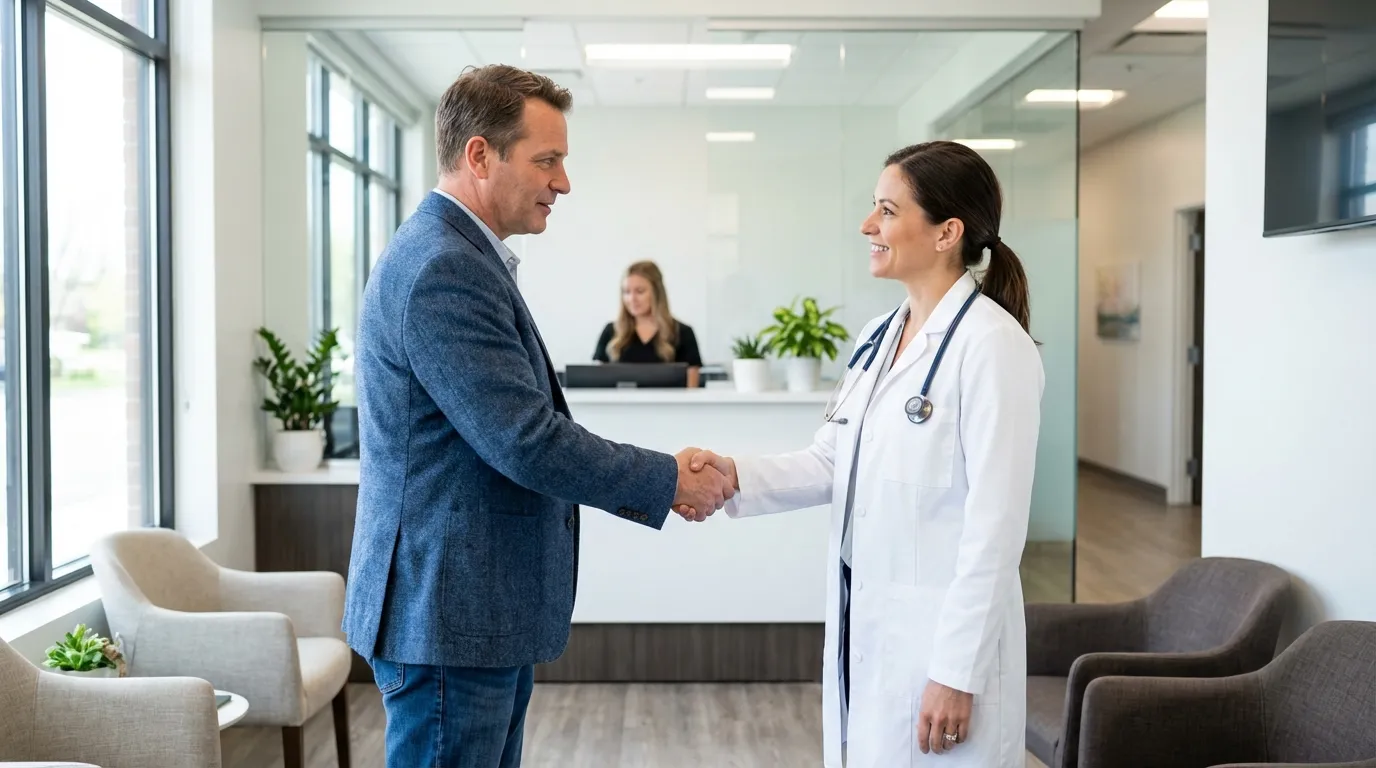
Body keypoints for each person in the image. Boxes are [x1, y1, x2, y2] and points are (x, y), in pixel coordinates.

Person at [342, 64, 734, 768]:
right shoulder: (443, 268)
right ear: (480, 156)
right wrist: (666, 478)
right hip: (448, 616)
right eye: (547, 160)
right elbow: (524, 440)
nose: (563, 182)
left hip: (472, 613)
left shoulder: (461, 256)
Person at [686, 141, 1044, 767]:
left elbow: (997, 529)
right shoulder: (878, 336)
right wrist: (732, 475)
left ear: (946, 232)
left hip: (942, 647)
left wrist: (957, 671)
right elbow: (832, 460)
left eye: (886, 209)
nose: (866, 225)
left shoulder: (994, 347)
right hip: (868, 624)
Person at [593, 260, 703, 387]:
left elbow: (692, 392)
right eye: (627, 292)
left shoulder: (683, 333)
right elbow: (598, 386)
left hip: (668, 406)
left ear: (657, 293)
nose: (632, 299)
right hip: (622, 407)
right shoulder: (611, 331)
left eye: (640, 291)